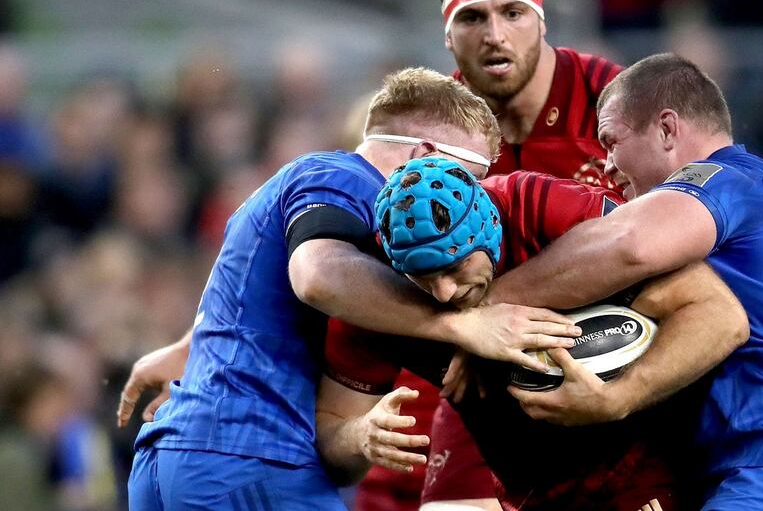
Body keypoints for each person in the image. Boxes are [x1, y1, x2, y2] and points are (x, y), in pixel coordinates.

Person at [123, 68, 580, 510]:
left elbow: (248, 295)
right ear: (423, 156)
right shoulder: (345, 178)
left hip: (181, 458)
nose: (477, 200)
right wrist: (462, 326)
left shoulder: (290, 190)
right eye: (469, 178)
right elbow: (316, 275)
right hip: (249, 456)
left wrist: (189, 347)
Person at [483, 53, 763, 509]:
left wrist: (488, 310)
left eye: (612, 141)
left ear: (667, 129)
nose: (606, 165)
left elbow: (627, 246)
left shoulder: (729, 179)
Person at [357, 0, 626, 509]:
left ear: (542, 17)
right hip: (473, 374)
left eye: (512, 13)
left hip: (606, 348)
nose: (494, 35)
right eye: (473, 18)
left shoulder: (614, 102)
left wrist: (489, 313)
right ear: (447, 34)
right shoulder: (430, 134)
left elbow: (666, 239)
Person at [317, 157, 748, 510]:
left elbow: (721, 315)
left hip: (649, 472)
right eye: (423, 278)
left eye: (455, 267)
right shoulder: (383, 294)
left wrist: (621, 396)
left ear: (488, 229)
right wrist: (361, 434)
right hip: (533, 494)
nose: (444, 293)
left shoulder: (541, 208)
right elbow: (333, 444)